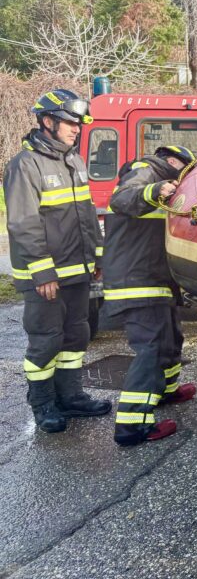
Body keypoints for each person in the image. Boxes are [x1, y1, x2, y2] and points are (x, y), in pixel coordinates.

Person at [3, 89, 110, 433]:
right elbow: (23, 223)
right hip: (44, 277)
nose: (75, 128)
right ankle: (44, 405)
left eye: (77, 123)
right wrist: (43, 272)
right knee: (46, 339)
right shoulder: (25, 164)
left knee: (75, 335)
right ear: (47, 122)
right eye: (68, 122)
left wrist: (97, 255)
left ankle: (71, 397)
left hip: (77, 271)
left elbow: (87, 215)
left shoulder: (73, 160)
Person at [104, 145, 197, 446]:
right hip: (138, 279)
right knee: (152, 349)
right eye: (186, 168)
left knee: (171, 339)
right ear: (172, 161)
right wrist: (155, 189)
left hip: (156, 279)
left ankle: (166, 391)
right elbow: (122, 199)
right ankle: (133, 426)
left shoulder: (168, 183)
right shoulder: (145, 170)